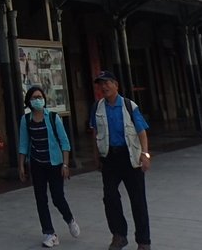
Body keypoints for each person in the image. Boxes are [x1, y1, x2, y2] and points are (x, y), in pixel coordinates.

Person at [90, 71, 151, 250]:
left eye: (107, 83)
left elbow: (141, 131)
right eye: (101, 84)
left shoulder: (128, 106)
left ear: (116, 84)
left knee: (138, 200)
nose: (104, 87)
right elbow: (95, 132)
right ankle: (119, 234)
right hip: (109, 157)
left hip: (130, 156)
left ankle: (143, 241)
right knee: (109, 197)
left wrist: (145, 155)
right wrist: (96, 156)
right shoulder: (97, 107)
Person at [18, 85, 80, 247]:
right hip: (37, 164)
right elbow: (23, 144)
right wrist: (21, 166)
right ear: (29, 101)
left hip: (55, 163)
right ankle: (49, 233)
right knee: (41, 199)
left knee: (58, 197)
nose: (37, 100)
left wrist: (65, 164)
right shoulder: (25, 120)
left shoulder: (53, 118)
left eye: (40, 97)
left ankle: (69, 219)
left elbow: (65, 143)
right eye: (34, 98)